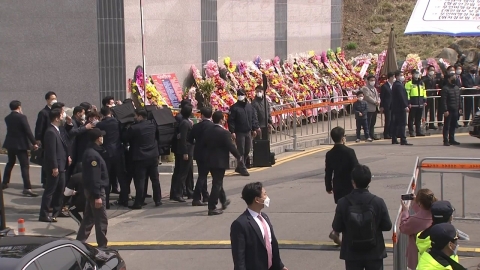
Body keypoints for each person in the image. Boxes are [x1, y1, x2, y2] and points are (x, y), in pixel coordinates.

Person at [332, 164, 392, 270]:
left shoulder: (343, 202)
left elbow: (337, 226)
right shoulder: (378, 201)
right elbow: (387, 226)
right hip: (374, 251)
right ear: (369, 181)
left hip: (352, 252)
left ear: (353, 181)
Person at [230, 182, 288, 270]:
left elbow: (271, 244)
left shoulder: (264, 217)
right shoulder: (240, 224)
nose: (267, 197)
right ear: (257, 200)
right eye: (264, 195)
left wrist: (280, 265)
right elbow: (239, 257)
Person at [325, 126, 359, 245]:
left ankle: (336, 231)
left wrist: (328, 186)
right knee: (350, 209)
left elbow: (328, 172)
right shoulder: (349, 152)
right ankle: (343, 233)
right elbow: (356, 168)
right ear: (343, 137)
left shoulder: (330, 154)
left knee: (341, 207)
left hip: (338, 185)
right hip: (350, 185)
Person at [204, 111, 242, 216]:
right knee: (217, 183)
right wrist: (239, 156)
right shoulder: (224, 133)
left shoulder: (208, 131)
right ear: (221, 120)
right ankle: (212, 206)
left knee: (218, 181)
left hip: (209, 160)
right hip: (219, 161)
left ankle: (223, 200)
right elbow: (231, 147)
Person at [76, 128, 109, 248]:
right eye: (101, 136)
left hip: (92, 191)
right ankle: (102, 246)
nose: (102, 138)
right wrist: (97, 196)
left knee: (89, 218)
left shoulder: (92, 151)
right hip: (96, 191)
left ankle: (79, 242)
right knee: (101, 220)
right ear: (97, 138)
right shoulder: (93, 155)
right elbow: (94, 177)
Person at [39, 108, 70, 223]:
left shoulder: (57, 130)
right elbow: (51, 151)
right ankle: (44, 214)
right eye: (62, 115)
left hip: (61, 164)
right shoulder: (50, 132)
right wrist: (54, 166)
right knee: (50, 190)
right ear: (57, 118)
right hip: (55, 166)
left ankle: (58, 210)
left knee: (60, 189)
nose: (63, 116)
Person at [126, 109, 162, 209]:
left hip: (140, 157)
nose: (135, 118)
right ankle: (158, 200)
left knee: (140, 180)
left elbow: (125, 138)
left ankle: (138, 202)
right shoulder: (152, 125)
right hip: (153, 155)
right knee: (155, 179)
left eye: (136, 116)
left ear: (140, 116)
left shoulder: (134, 128)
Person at [2, 100, 39, 196]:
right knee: (24, 166)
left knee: (10, 162)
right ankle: (27, 187)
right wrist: (34, 143)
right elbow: (27, 131)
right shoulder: (22, 117)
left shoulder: (7, 118)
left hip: (10, 144)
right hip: (21, 145)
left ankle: (4, 182)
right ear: (19, 107)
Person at [96, 106, 129, 207]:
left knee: (106, 177)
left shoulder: (100, 124)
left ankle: (105, 202)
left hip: (106, 153)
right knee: (122, 177)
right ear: (110, 112)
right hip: (118, 152)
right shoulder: (117, 122)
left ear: (102, 114)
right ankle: (124, 199)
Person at [399, 189, 437, 269]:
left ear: (420, 203)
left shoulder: (415, 220)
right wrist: (417, 202)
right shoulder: (436, 214)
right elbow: (424, 212)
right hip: (434, 257)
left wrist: (405, 211)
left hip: (417, 257)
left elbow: (403, 227)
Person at [228, 89, 259, 175]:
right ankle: (243, 168)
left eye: (242, 94)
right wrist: (232, 131)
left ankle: (240, 166)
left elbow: (253, 118)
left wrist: (254, 128)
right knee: (240, 151)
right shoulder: (234, 108)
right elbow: (231, 120)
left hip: (248, 131)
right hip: (239, 132)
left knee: (247, 150)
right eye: (239, 94)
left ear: (245, 95)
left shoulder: (249, 107)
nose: (240, 96)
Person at [187, 107, 214, 206]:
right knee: (203, 176)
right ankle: (197, 197)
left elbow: (190, 140)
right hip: (210, 154)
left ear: (202, 115)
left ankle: (205, 196)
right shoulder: (213, 127)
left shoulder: (196, 126)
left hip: (198, 153)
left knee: (202, 174)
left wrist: (197, 143)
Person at [171, 104, 195, 202]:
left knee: (189, 172)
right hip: (186, 150)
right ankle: (178, 193)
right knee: (183, 173)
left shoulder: (187, 122)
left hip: (189, 150)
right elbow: (183, 139)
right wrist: (185, 152)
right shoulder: (185, 123)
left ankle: (190, 191)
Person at [34, 91, 58, 187]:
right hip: (46, 139)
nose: (54, 100)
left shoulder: (55, 111)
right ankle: (45, 180)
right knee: (46, 160)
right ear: (47, 100)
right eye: (52, 99)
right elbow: (39, 127)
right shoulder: (44, 112)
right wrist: (38, 139)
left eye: (55, 98)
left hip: (55, 138)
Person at [391, 70, 412, 145]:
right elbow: (401, 97)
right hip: (400, 107)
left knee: (396, 123)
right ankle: (403, 139)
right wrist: (405, 106)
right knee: (402, 123)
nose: (402, 77)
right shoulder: (398, 85)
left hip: (396, 107)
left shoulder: (396, 84)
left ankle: (394, 138)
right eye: (401, 75)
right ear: (396, 76)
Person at [441, 73, 462, 146]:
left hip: (455, 109)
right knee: (447, 125)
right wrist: (445, 110)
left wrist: (460, 108)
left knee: (453, 125)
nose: (454, 79)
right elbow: (444, 100)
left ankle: (452, 139)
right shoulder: (445, 88)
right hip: (449, 110)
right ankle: (445, 140)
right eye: (453, 78)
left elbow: (459, 98)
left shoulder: (456, 88)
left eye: (455, 78)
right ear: (449, 79)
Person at [405, 69, 427, 137]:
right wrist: (408, 103)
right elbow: (407, 94)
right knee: (411, 118)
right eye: (415, 73)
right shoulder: (409, 84)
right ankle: (411, 131)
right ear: (412, 74)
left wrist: (425, 100)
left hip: (420, 103)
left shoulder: (422, 83)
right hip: (413, 103)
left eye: (417, 73)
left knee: (418, 118)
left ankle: (418, 131)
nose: (417, 74)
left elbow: (424, 92)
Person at [422, 65, 443, 130]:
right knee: (425, 111)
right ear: (427, 71)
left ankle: (432, 124)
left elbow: (440, 84)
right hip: (427, 96)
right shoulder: (424, 78)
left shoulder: (435, 78)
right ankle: (425, 124)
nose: (432, 71)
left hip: (434, 96)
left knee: (433, 111)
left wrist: (441, 78)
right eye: (431, 70)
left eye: (433, 70)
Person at [361, 75, 381, 140]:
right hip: (369, 108)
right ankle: (367, 135)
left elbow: (377, 96)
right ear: (368, 81)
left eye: (374, 80)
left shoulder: (374, 88)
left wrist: (378, 101)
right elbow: (367, 97)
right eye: (371, 80)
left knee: (373, 122)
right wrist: (375, 102)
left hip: (375, 108)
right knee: (368, 122)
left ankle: (372, 134)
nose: (373, 81)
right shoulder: (365, 88)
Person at [380, 72, 395, 139]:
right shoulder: (384, 86)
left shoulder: (394, 85)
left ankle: (391, 133)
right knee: (388, 120)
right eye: (393, 77)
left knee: (393, 120)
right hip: (387, 106)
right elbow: (382, 97)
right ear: (390, 77)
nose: (394, 78)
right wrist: (382, 106)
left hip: (393, 105)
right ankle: (386, 134)